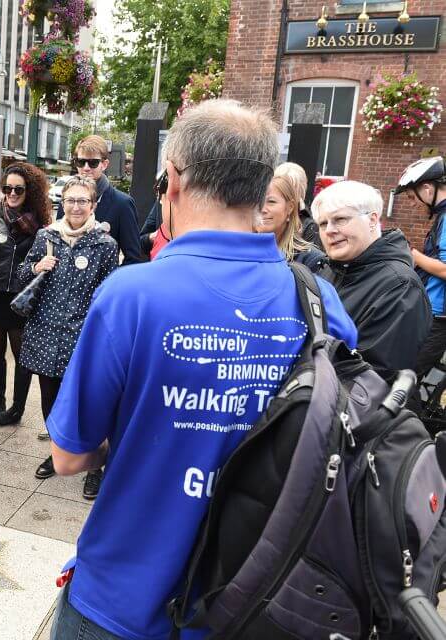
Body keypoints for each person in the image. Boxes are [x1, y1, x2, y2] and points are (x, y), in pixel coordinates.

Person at [43, 100, 357, 640]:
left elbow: (69, 456)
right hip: (258, 601)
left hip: (125, 598)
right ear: (263, 189)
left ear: (174, 181)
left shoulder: (132, 295)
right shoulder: (319, 301)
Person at [20, 176, 118, 500]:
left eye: (82, 201)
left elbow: (109, 293)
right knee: (50, 400)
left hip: (84, 335)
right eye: (70, 200)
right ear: (62, 202)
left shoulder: (105, 244)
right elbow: (21, 273)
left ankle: (93, 466)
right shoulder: (46, 236)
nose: (76, 206)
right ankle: (58, 451)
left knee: (89, 402)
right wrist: (37, 266)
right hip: (46, 331)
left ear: (93, 205)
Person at [313, 180, 431, 382]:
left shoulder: (400, 287)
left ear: (372, 220)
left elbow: (373, 378)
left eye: (340, 219)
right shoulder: (329, 271)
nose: (329, 230)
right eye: (323, 223)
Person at [0, 162, 51, 426]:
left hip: (22, 298)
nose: (12, 193)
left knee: (21, 355)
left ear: (29, 191)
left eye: (19, 188)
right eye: (7, 188)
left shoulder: (41, 223)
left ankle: (16, 408)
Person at [398, 156, 446, 383]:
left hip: (439, 318)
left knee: (404, 381)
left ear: (427, 189)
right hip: (431, 312)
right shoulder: (441, 218)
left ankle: (408, 420)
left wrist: (413, 254)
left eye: (411, 196)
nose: (411, 203)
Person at [60, 135, 142, 264]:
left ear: (104, 164)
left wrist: (111, 283)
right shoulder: (67, 199)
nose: (86, 167)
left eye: (93, 163)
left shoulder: (122, 203)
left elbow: (133, 257)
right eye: (80, 162)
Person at [257, 175, 329, 274]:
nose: (262, 209)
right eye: (257, 201)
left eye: (271, 201)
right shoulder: (242, 251)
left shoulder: (310, 259)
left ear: (290, 207)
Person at [274, 161, 322, 248]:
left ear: (301, 190)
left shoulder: (310, 227)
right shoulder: (263, 215)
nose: (286, 192)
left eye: (290, 188)